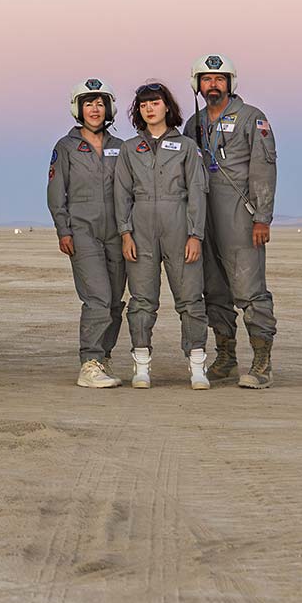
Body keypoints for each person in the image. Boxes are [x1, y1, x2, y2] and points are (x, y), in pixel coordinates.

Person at [112, 81, 210, 388]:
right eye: (143, 105)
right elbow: (121, 194)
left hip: (179, 225)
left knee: (190, 299)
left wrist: (195, 235)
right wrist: (125, 233)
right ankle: (141, 366)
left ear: (167, 106)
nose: (149, 109)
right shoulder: (130, 148)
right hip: (140, 228)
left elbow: (197, 192)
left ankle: (197, 366)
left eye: (154, 103)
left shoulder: (187, 147)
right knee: (141, 300)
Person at [190, 52, 277, 389]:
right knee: (213, 289)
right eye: (207, 79)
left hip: (240, 216)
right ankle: (225, 357)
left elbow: (263, 169)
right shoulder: (194, 124)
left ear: (230, 83)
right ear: (197, 84)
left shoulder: (252, 118)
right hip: (203, 218)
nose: (213, 85)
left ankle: (262, 361)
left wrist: (262, 217)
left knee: (249, 289)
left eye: (219, 79)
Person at [46, 76, 128, 387]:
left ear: (109, 108)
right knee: (98, 298)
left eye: (100, 103)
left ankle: (104, 357)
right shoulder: (66, 147)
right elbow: (56, 191)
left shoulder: (121, 147)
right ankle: (89, 363)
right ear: (78, 109)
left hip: (118, 233)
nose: (95, 109)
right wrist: (63, 230)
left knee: (115, 302)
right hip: (82, 231)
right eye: (89, 103)